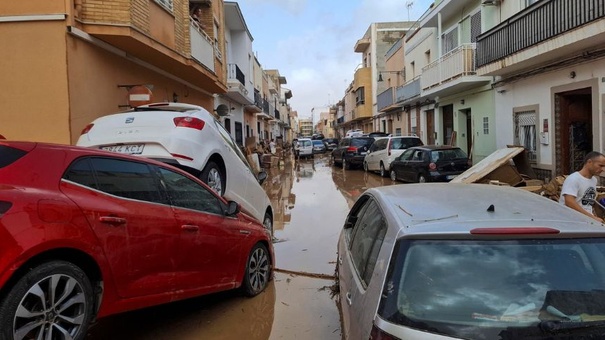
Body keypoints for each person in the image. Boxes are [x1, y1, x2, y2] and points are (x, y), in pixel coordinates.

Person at [559, 151, 605, 222]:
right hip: (571, 220)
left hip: (587, 220)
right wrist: (592, 218)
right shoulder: (573, 179)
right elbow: (569, 202)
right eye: (600, 165)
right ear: (589, 162)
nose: (603, 169)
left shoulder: (594, 180)